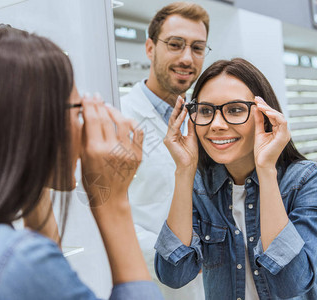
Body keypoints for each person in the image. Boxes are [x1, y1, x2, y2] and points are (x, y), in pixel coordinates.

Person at [0, 27, 163, 300]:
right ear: (36, 126)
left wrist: (32, 170)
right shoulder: (15, 261)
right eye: (78, 111)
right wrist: (113, 202)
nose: (85, 126)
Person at [154, 58, 317, 299]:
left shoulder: (307, 180)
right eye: (206, 111)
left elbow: (290, 284)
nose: (216, 125)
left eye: (235, 110)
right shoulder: (197, 186)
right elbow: (174, 275)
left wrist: (266, 169)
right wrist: (184, 170)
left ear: (264, 115)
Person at [120, 2, 209, 299]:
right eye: (175, 44)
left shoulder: (204, 120)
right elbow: (99, 209)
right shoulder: (118, 118)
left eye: (198, 48)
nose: (187, 58)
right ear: (149, 48)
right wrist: (175, 254)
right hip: (149, 282)